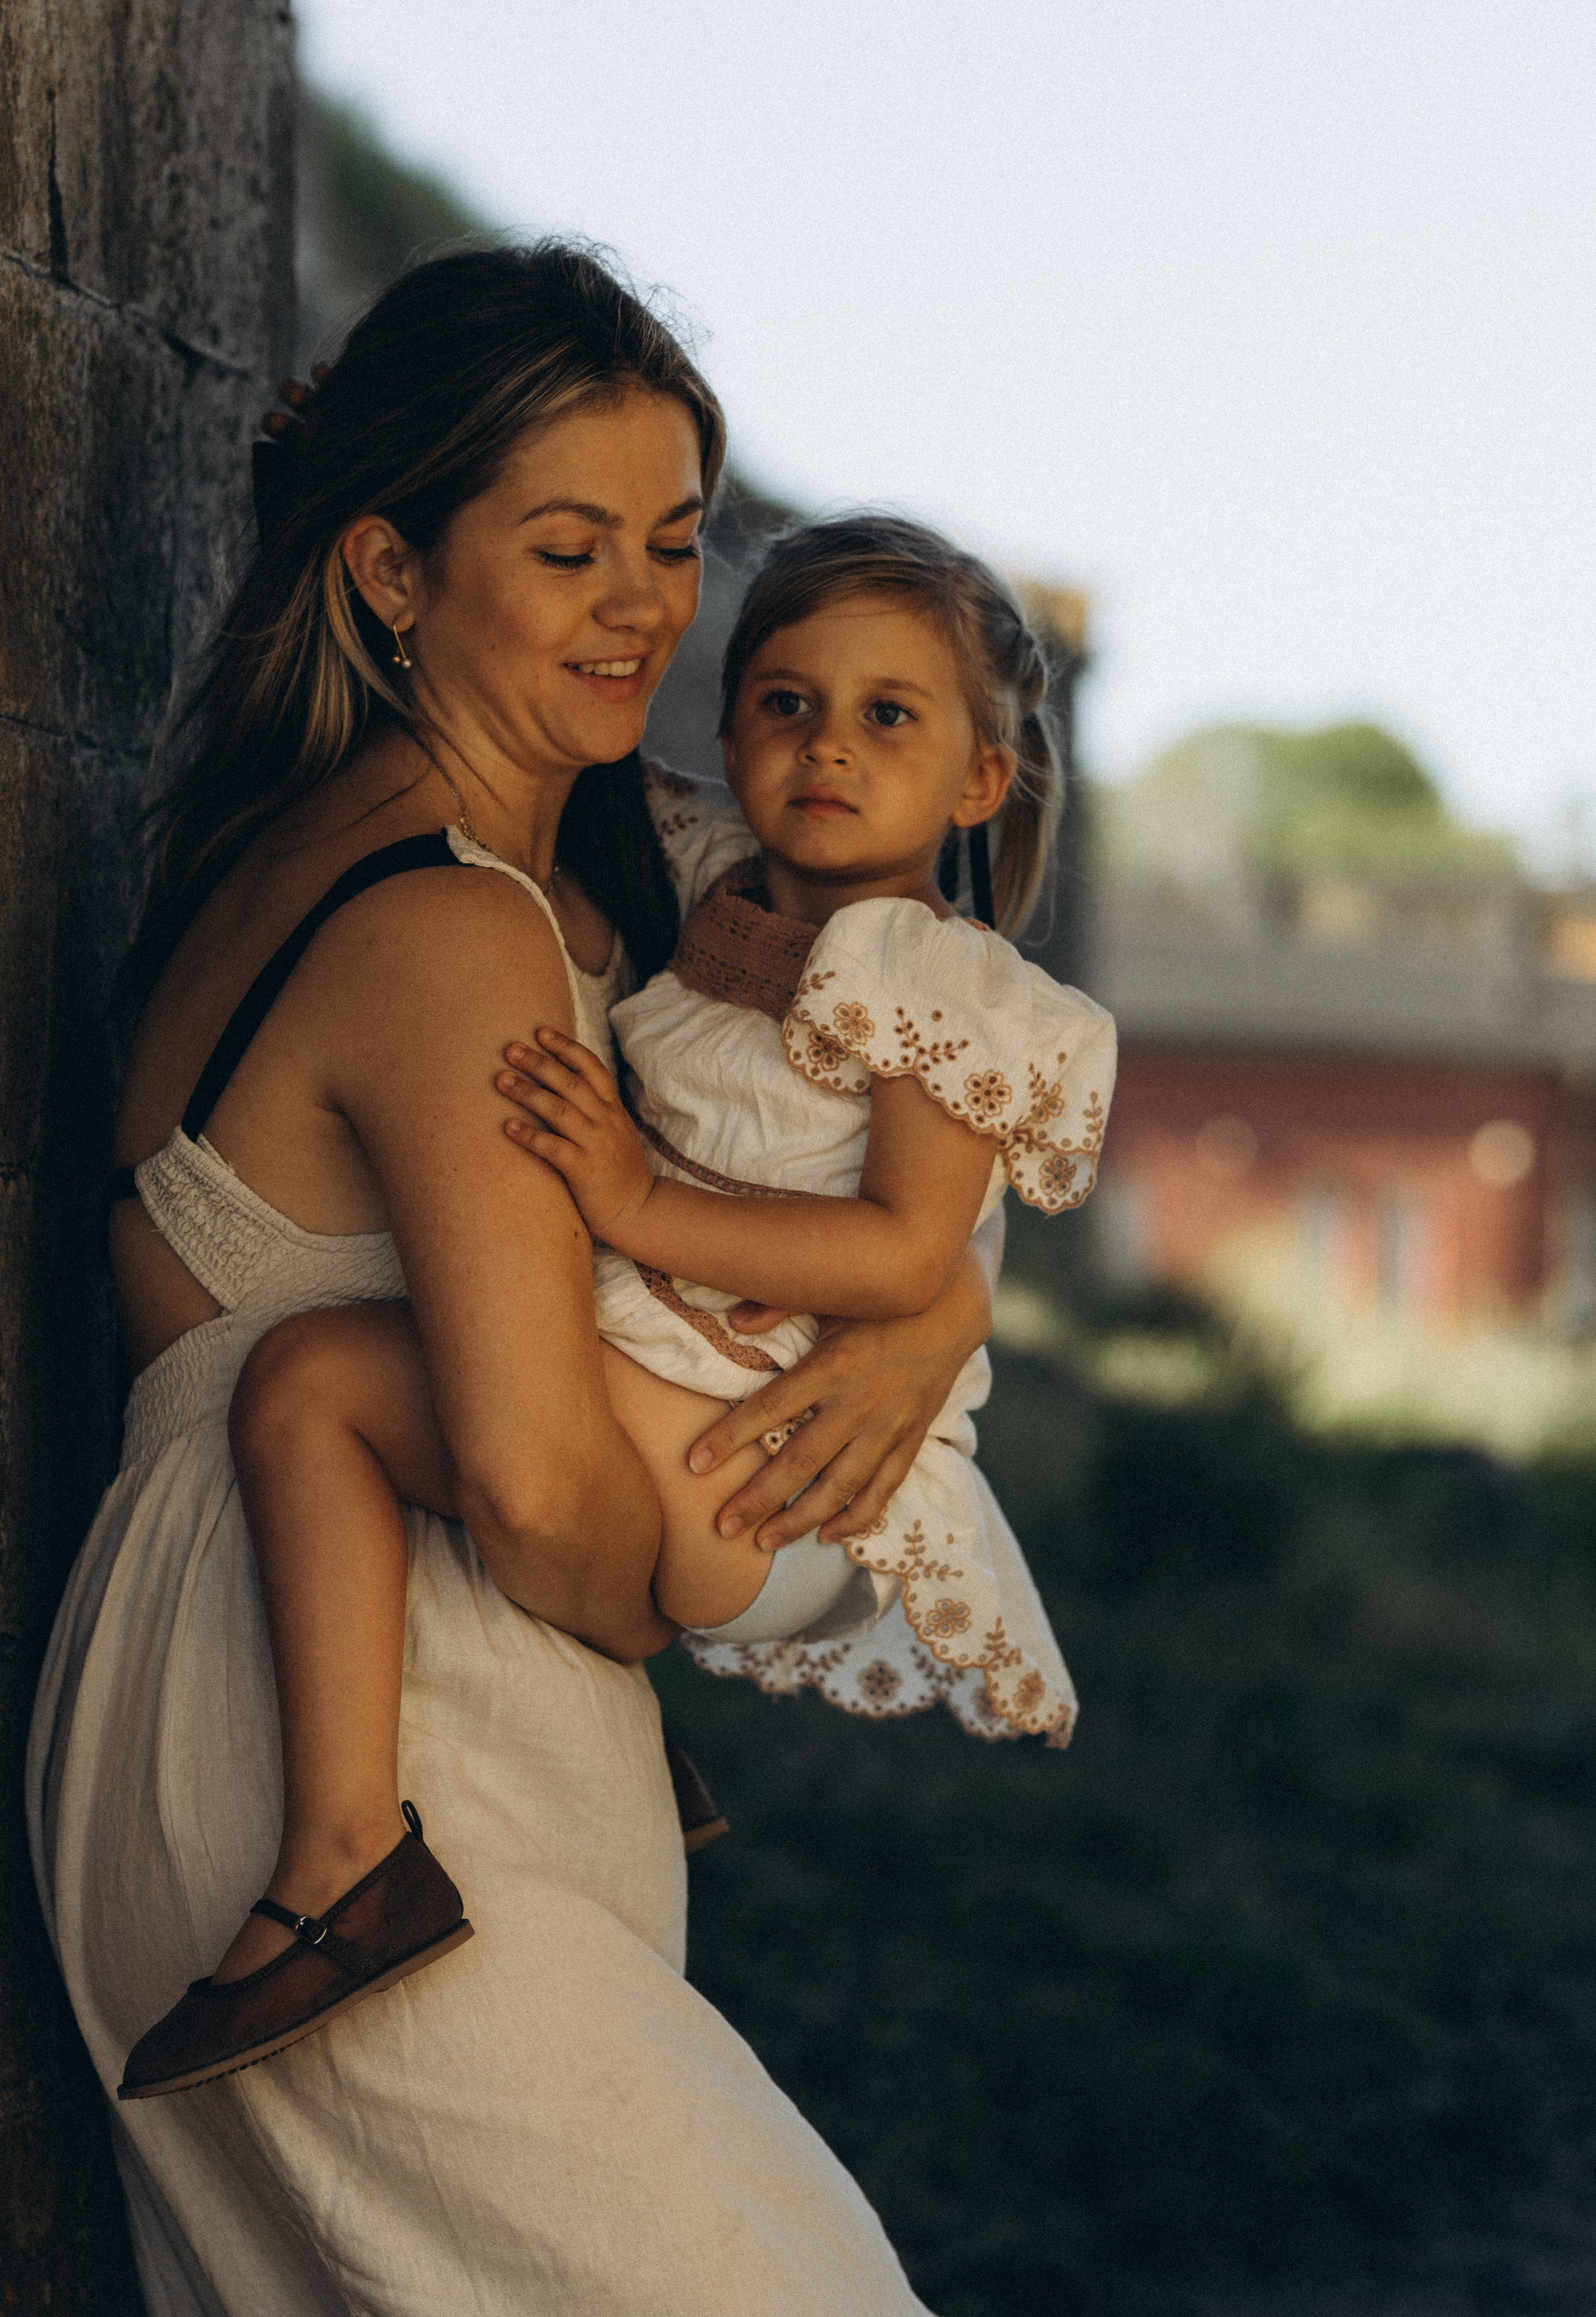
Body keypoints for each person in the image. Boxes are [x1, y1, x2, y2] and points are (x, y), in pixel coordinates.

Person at [27, 243, 996, 2316]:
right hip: (351, 1768)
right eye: (568, 550)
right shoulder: (449, 922)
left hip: (252, 1714)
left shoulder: (452, 870)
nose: (646, 605)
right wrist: (715, 1585)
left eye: (668, 541)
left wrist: (932, 1300)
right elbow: (545, 1488)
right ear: (391, 571)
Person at [117, 516, 1115, 2098]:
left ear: (980, 783)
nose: (825, 750)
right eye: (783, 704)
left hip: (778, 1470)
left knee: (311, 1388)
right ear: (723, 730)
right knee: (395, 1374)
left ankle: (343, 1861)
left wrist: (639, 1205)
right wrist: (319, 481)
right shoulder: (717, 882)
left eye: (888, 718)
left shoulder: (935, 977)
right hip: (703, 1401)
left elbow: (905, 1254)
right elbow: (489, 716)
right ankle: (586, 1764)